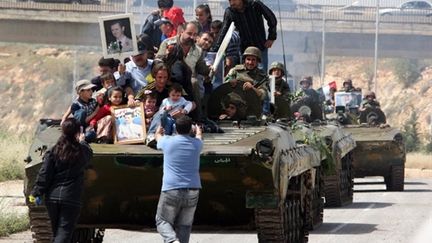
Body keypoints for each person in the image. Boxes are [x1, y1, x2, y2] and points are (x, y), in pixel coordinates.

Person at [29, 118, 93, 243]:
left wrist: (36, 192)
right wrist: (83, 142)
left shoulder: (54, 150)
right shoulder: (82, 150)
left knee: (57, 234)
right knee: (64, 233)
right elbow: (89, 153)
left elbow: (45, 174)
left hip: (52, 198)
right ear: (77, 133)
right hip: (71, 198)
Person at [155, 115, 203, 243]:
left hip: (171, 189)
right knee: (185, 226)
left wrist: (158, 130)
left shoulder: (167, 141)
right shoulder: (197, 144)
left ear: (176, 128)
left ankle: (171, 240)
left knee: (162, 220)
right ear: (191, 129)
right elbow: (199, 137)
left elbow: (157, 137)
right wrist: (198, 131)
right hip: (193, 190)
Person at [157, 22, 210, 118]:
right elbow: (157, 62)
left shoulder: (197, 50)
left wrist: (209, 69)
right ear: (181, 31)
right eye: (189, 33)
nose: (192, 37)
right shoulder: (168, 43)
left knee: (194, 82)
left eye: (194, 35)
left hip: (188, 82)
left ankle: (198, 117)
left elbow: (201, 68)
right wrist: (167, 55)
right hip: (170, 78)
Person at [213, 0, 277, 71]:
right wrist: (214, 51)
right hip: (244, 49)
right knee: (243, 74)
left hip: (260, 47)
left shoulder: (255, 5)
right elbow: (223, 32)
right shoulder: (230, 12)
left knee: (261, 74)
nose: (231, 3)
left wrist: (271, 37)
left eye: (234, 0)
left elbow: (271, 18)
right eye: (229, 0)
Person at [225, 47, 269, 115]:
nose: (250, 62)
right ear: (244, 60)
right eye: (248, 59)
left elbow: (262, 95)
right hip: (233, 109)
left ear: (257, 61)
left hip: (252, 110)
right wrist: (230, 82)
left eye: (253, 60)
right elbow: (223, 88)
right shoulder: (235, 71)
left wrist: (252, 88)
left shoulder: (262, 76)